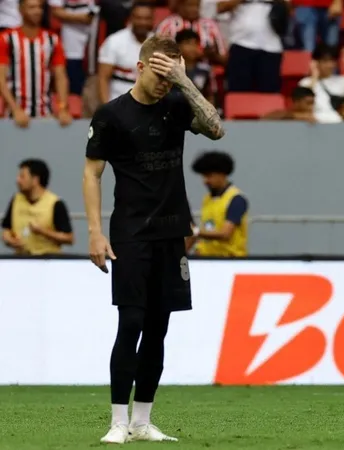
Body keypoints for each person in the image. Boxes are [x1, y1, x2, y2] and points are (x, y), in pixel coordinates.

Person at [83, 34, 224, 444]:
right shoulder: (111, 115)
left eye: (172, 73)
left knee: (159, 329)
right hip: (130, 233)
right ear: (141, 67)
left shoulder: (177, 104)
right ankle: (117, 421)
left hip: (171, 232)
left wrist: (184, 82)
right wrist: (94, 231)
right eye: (161, 72)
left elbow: (216, 129)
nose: (165, 81)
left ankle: (143, 421)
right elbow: (92, 173)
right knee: (131, 322)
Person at [0, 0, 72, 128]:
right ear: (21, 10)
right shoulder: (7, 39)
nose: (37, 11)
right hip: (14, 116)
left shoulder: (52, 40)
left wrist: (62, 107)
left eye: (40, 7)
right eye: (32, 7)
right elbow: (1, 78)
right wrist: (15, 109)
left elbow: (60, 77)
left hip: (45, 114)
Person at [2, 159, 74, 255]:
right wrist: (9, 240)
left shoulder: (55, 203)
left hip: (48, 261)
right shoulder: (16, 200)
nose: (18, 180)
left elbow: (69, 238)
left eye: (22, 176)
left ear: (35, 180)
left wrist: (42, 231)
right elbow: (7, 229)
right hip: (21, 260)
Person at [187, 151, 249, 257]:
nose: (205, 181)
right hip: (205, 259)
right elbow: (200, 233)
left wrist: (195, 231)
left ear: (222, 174)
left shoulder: (236, 199)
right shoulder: (207, 199)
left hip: (229, 262)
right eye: (203, 176)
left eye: (209, 176)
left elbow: (225, 234)